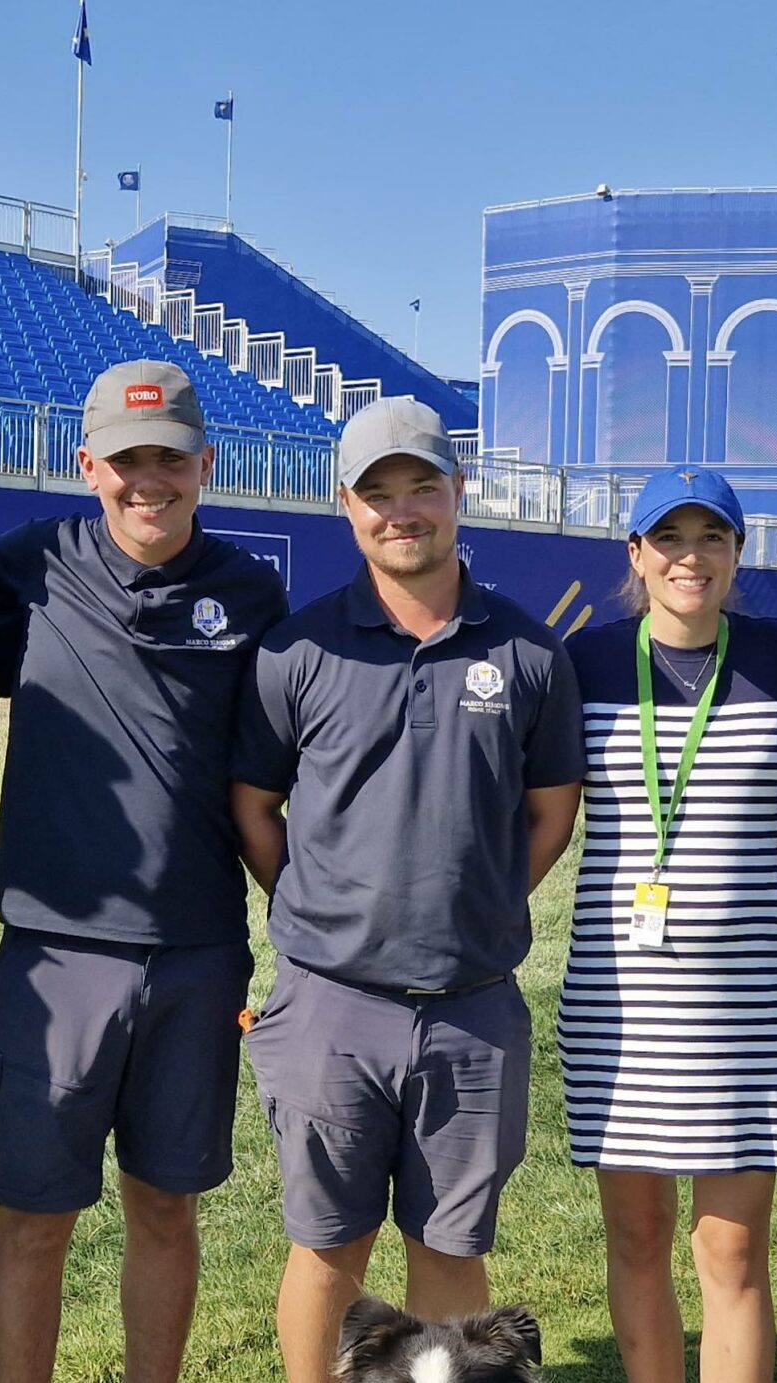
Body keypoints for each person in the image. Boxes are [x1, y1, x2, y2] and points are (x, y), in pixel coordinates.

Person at [230, 396, 586, 1383]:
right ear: (345, 505)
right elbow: (256, 806)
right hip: (329, 1007)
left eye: (420, 486)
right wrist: (313, 913)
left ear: (456, 491)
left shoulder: (524, 650)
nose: (401, 511)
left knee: (450, 1247)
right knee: (327, 1248)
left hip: (471, 1008)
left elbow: (552, 808)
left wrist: (482, 904)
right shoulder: (298, 650)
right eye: (376, 493)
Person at [0, 360, 288, 1383]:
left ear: (206, 462)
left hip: (198, 951)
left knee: (165, 1203)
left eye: (168, 458)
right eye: (123, 460)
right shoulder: (27, 565)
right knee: (34, 1217)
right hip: (55, 954)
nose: (146, 480)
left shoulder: (250, 590)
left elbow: (282, 766)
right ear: (86, 465)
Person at [558, 464, 777, 1383]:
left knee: (732, 1253)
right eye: (670, 538)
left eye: (712, 537)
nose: (690, 557)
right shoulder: (586, 661)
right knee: (636, 1235)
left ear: (738, 552)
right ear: (636, 553)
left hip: (743, 1010)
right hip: (620, 1005)